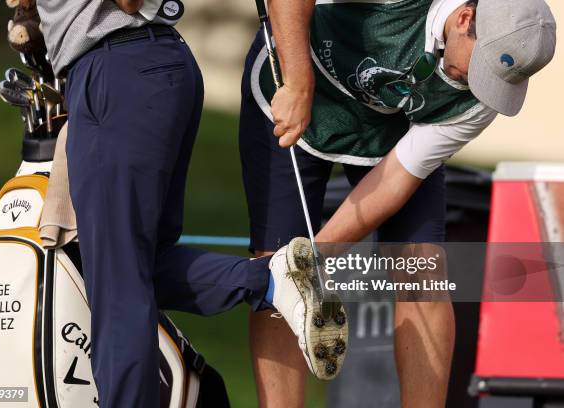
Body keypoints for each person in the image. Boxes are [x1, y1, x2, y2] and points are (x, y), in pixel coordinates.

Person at [239, 0, 556, 406]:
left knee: (422, 267)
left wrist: (309, 262)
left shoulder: (480, 98)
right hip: (297, 75)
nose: (480, 85)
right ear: (464, 19)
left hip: (390, 123)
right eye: (480, 68)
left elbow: (394, 182)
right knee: (274, 264)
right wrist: (299, 80)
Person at [35, 0, 348, 406]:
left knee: (120, 283)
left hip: (119, 69)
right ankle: (273, 279)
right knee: (143, 267)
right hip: (144, 67)